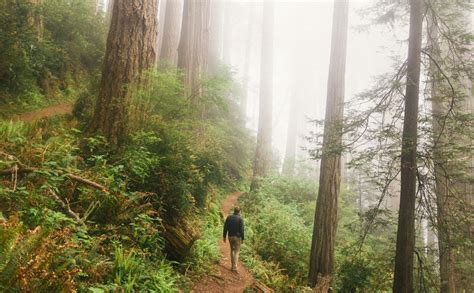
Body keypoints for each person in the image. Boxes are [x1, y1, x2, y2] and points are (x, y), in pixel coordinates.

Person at [223, 206, 244, 273]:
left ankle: (232, 266)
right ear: (239, 211)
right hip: (237, 237)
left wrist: (224, 236)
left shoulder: (229, 217)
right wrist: (242, 238)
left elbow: (225, 227)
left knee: (232, 250)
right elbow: (242, 230)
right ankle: (235, 267)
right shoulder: (240, 219)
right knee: (236, 252)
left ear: (234, 211)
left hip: (230, 236)